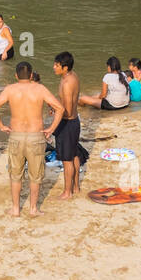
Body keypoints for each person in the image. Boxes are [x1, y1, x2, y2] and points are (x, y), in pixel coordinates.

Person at [0, 62, 66, 216]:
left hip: (16, 135)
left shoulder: (10, 89)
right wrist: (51, 128)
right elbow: (60, 108)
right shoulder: (40, 89)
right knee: (35, 175)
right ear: (31, 75)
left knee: (15, 174)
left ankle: (16, 209)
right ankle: (33, 209)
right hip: (35, 136)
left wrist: (2, 126)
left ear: (16, 75)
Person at [51, 52, 88, 199]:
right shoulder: (73, 76)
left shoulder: (66, 84)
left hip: (67, 123)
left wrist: (54, 119)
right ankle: (76, 187)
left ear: (65, 68)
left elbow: (66, 110)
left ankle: (67, 192)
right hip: (74, 122)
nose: (54, 67)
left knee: (67, 160)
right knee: (74, 155)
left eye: (57, 65)